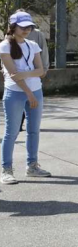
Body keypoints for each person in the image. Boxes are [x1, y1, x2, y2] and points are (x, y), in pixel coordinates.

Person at [1, 11, 49, 184]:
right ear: (13, 27)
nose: (27, 29)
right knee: (11, 132)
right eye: (23, 27)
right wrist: (28, 91)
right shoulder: (4, 46)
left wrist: (24, 74)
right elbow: (13, 75)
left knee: (34, 130)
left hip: (36, 91)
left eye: (29, 26)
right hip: (15, 92)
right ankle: (6, 169)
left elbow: (41, 71)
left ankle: (32, 166)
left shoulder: (32, 44)